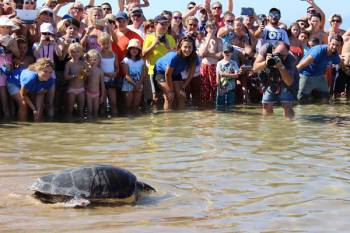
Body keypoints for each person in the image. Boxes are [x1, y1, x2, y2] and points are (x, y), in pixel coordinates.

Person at [253, 42, 297, 118]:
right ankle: (267, 126)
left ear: (287, 52)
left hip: (285, 78)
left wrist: (281, 67)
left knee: (287, 105)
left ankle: (289, 126)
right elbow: (254, 69)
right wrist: (265, 63)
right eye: (278, 54)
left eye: (283, 56)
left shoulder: (290, 59)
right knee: (266, 105)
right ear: (273, 50)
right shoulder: (266, 49)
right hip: (269, 78)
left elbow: (289, 82)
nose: (280, 57)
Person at [154, 36, 198, 110]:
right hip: (160, 72)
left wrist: (183, 87)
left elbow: (190, 75)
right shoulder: (175, 57)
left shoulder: (194, 57)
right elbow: (167, 74)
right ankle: (168, 120)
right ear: (180, 47)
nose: (187, 49)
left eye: (190, 47)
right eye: (185, 47)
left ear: (193, 48)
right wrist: (170, 90)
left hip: (175, 73)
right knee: (169, 96)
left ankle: (181, 118)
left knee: (181, 96)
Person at [297, 34, 343, 103]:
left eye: (337, 45)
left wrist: (346, 70)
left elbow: (341, 64)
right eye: (333, 44)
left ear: (340, 46)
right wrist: (292, 74)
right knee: (301, 100)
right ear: (329, 43)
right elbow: (302, 64)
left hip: (320, 76)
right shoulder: (319, 50)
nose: (334, 47)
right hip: (306, 74)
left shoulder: (335, 55)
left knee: (325, 99)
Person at [142, 15, 176, 105]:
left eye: (167, 23)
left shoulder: (170, 38)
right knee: (156, 98)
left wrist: (168, 47)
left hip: (169, 70)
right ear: (155, 24)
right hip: (153, 71)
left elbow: (176, 55)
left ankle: (168, 117)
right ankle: (157, 118)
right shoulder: (149, 37)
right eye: (162, 24)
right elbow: (143, 56)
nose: (165, 26)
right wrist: (153, 45)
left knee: (169, 96)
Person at [198, 21, 223, 106]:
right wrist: (209, 39)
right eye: (210, 27)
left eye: (214, 27)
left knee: (214, 86)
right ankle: (205, 107)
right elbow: (201, 53)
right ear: (206, 28)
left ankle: (213, 106)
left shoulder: (218, 40)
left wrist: (207, 54)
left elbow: (220, 55)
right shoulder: (203, 39)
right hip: (204, 66)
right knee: (204, 88)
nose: (212, 29)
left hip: (214, 66)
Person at [0, 17, 19, 119]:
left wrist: (10, 46)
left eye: (8, 27)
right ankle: (7, 118)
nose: (5, 29)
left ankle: (9, 117)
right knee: (4, 97)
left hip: (9, 69)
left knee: (9, 98)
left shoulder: (12, 39)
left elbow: (18, 54)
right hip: (1, 70)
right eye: (3, 27)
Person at [64, 43, 89, 118]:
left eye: (78, 52)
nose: (75, 54)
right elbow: (65, 76)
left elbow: (89, 73)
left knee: (81, 110)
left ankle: (80, 125)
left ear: (81, 53)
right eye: (73, 52)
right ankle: (70, 123)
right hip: (72, 89)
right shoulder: (69, 64)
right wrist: (74, 76)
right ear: (70, 53)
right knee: (69, 110)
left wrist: (85, 73)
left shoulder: (83, 63)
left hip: (81, 89)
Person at [121, 39, 146, 113]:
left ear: (139, 50)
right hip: (128, 84)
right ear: (129, 50)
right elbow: (126, 75)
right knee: (128, 106)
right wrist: (135, 84)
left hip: (139, 84)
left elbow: (143, 74)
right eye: (132, 48)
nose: (134, 50)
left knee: (136, 106)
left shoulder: (142, 61)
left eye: (136, 49)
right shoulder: (125, 60)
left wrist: (139, 83)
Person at [216, 44, 240, 110]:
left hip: (231, 89)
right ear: (222, 53)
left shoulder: (234, 63)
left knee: (231, 107)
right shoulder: (219, 63)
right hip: (221, 89)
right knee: (220, 107)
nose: (227, 53)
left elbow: (236, 75)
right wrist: (219, 89)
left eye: (229, 52)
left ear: (232, 53)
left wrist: (225, 74)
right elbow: (218, 76)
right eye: (225, 52)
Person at [99, 32, 118, 116]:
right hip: (102, 81)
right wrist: (106, 74)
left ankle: (116, 122)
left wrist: (115, 73)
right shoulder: (99, 55)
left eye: (107, 43)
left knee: (113, 103)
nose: (106, 46)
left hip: (112, 81)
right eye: (103, 44)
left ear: (110, 43)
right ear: (99, 44)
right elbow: (97, 68)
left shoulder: (114, 54)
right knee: (102, 104)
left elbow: (117, 68)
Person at [85, 49, 105, 118]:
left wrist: (102, 96)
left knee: (96, 112)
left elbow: (102, 84)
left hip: (97, 94)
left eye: (95, 59)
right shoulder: (87, 70)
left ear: (99, 60)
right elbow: (84, 81)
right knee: (89, 112)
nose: (93, 61)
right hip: (88, 93)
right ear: (88, 60)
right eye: (91, 59)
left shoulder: (100, 71)